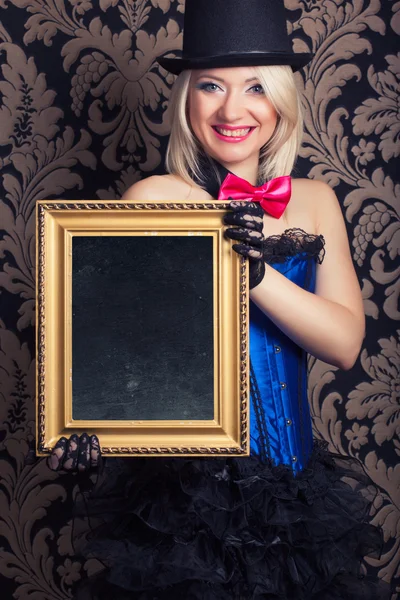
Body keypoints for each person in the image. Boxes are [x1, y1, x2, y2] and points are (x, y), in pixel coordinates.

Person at [47, 1, 391, 598]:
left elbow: (344, 344)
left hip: (295, 499)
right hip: (182, 504)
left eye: (256, 87)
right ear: (187, 98)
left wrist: (254, 275)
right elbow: (117, 352)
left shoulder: (312, 201)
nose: (233, 109)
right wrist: (88, 428)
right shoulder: (153, 196)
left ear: (281, 101)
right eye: (211, 85)